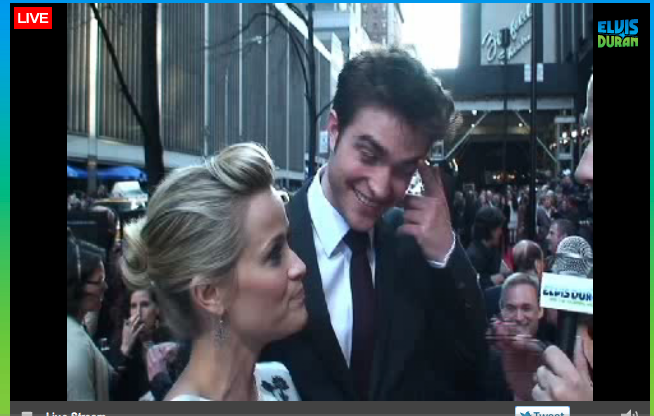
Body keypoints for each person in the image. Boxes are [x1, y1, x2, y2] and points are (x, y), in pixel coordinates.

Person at [261, 48, 487, 401]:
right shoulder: (266, 242)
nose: (382, 187)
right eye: (369, 155)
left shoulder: (414, 245)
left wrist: (447, 253)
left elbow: (469, 366)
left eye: (404, 169)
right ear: (334, 130)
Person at [121, 143, 307, 401]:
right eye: (274, 254)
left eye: (289, 241)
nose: (299, 266)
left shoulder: (278, 381)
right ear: (210, 294)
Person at [67, 234, 113, 401]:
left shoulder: (76, 330)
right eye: (99, 281)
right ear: (77, 287)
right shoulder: (76, 346)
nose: (105, 286)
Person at [109, 288, 173, 401]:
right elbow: (114, 393)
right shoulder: (119, 343)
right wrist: (125, 349)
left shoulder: (168, 341)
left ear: (157, 309)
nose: (138, 313)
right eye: (133, 306)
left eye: (145, 305)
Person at [467, 206, 507, 290]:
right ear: (489, 230)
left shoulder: (492, 248)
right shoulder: (473, 256)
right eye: (498, 228)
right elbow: (471, 286)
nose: (500, 232)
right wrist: (490, 280)